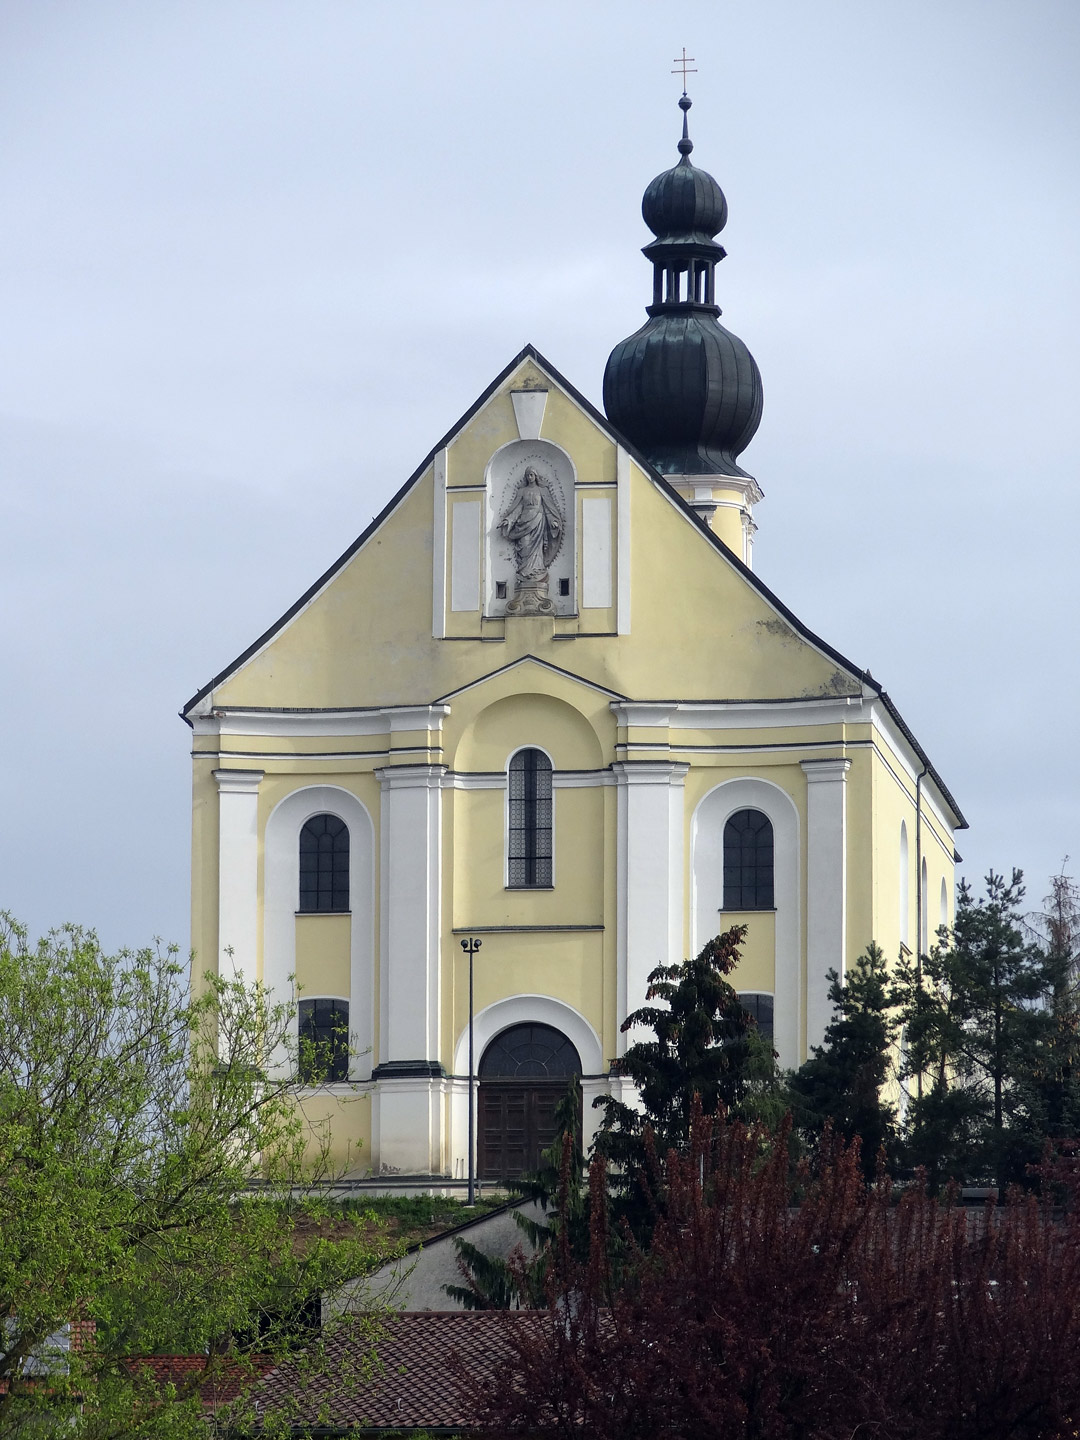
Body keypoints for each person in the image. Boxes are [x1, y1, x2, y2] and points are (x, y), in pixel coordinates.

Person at [498, 467, 563, 580]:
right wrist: (508, 520)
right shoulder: (522, 491)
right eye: (528, 475)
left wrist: (553, 520)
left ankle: (537, 570)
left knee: (537, 548)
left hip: (538, 520)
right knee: (525, 546)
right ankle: (524, 572)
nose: (529, 477)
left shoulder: (542, 490)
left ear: (536, 476)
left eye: (531, 475)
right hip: (523, 521)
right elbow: (518, 508)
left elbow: (548, 508)